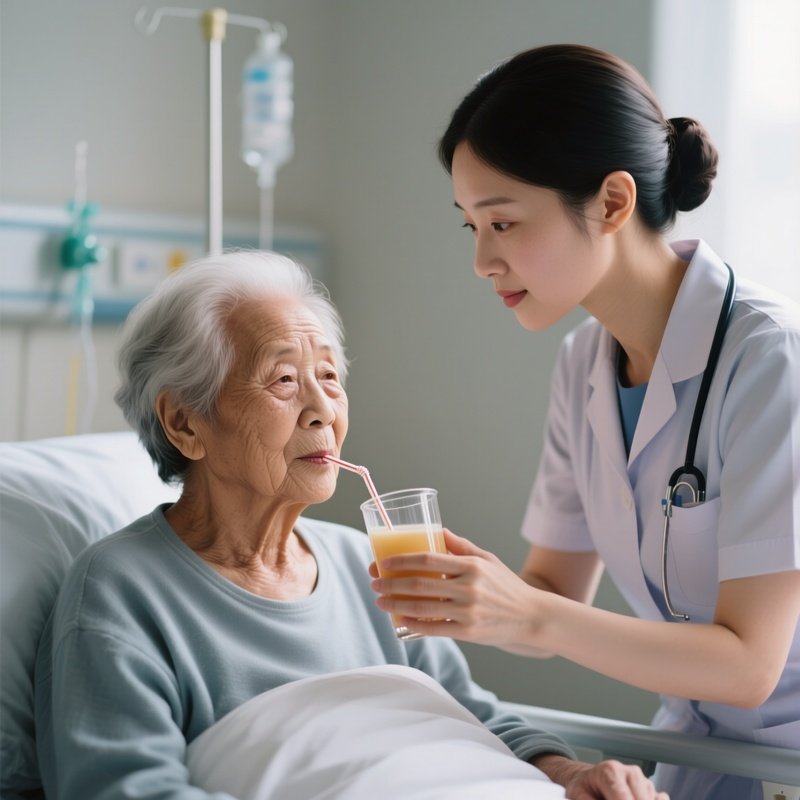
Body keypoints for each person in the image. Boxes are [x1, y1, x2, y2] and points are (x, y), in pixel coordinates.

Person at [33, 251, 665, 800]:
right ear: (185, 424)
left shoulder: (368, 562)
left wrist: (566, 771)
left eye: (330, 378)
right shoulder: (120, 593)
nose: (322, 411)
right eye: (284, 380)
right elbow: (124, 790)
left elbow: (470, 717)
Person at [368, 44, 800, 800]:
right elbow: (551, 590)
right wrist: (474, 595)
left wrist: (527, 614)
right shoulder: (582, 364)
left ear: (611, 202)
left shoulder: (771, 363)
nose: (482, 262)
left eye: (502, 223)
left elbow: (748, 664)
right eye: (469, 226)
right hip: (698, 758)